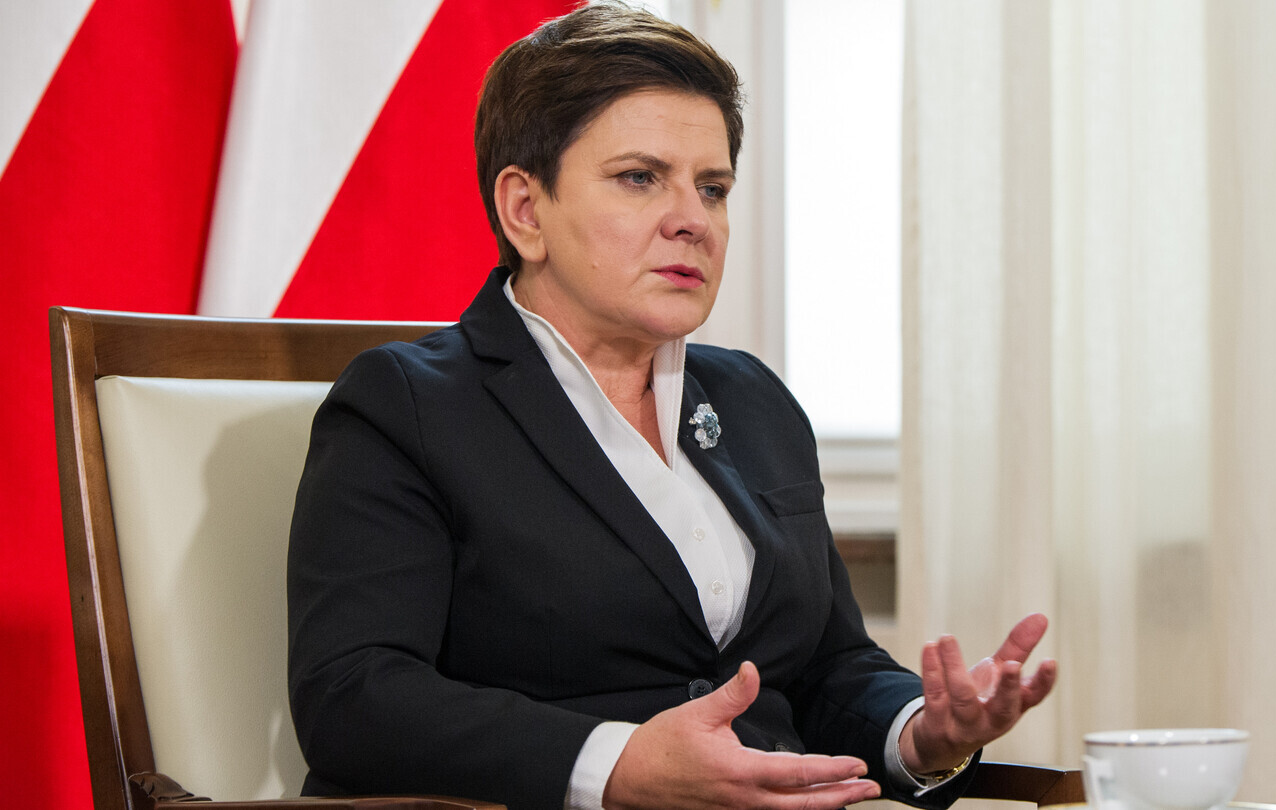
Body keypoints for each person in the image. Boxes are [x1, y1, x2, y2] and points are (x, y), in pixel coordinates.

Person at [286, 4, 1057, 809]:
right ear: (525, 210)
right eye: (640, 177)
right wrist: (617, 765)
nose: (694, 221)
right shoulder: (407, 404)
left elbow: (827, 667)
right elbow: (353, 696)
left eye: (713, 188)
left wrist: (920, 731)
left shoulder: (754, 400)